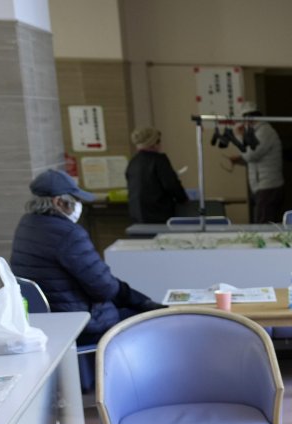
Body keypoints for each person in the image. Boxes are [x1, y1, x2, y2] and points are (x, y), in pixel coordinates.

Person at [10, 170, 164, 345]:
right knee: (150, 322)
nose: (79, 206)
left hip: (47, 322)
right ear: (58, 202)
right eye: (75, 200)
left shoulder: (27, 225)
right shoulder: (69, 234)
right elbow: (104, 288)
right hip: (83, 324)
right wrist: (140, 301)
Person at [228, 103, 285, 223]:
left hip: (268, 185)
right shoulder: (256, 132)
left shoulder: (264, 131)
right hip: (262, 186)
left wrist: (238, 137)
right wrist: (239, 160)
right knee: (264, 222)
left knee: (263, 225)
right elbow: (254, 158)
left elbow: (251, 155)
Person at [125, 126, 188, 224]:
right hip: (158, 214)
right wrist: (183, 199)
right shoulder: (159, 160)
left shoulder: (133, 162)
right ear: (154, 144)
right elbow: (171, 185)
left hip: (137, 215)